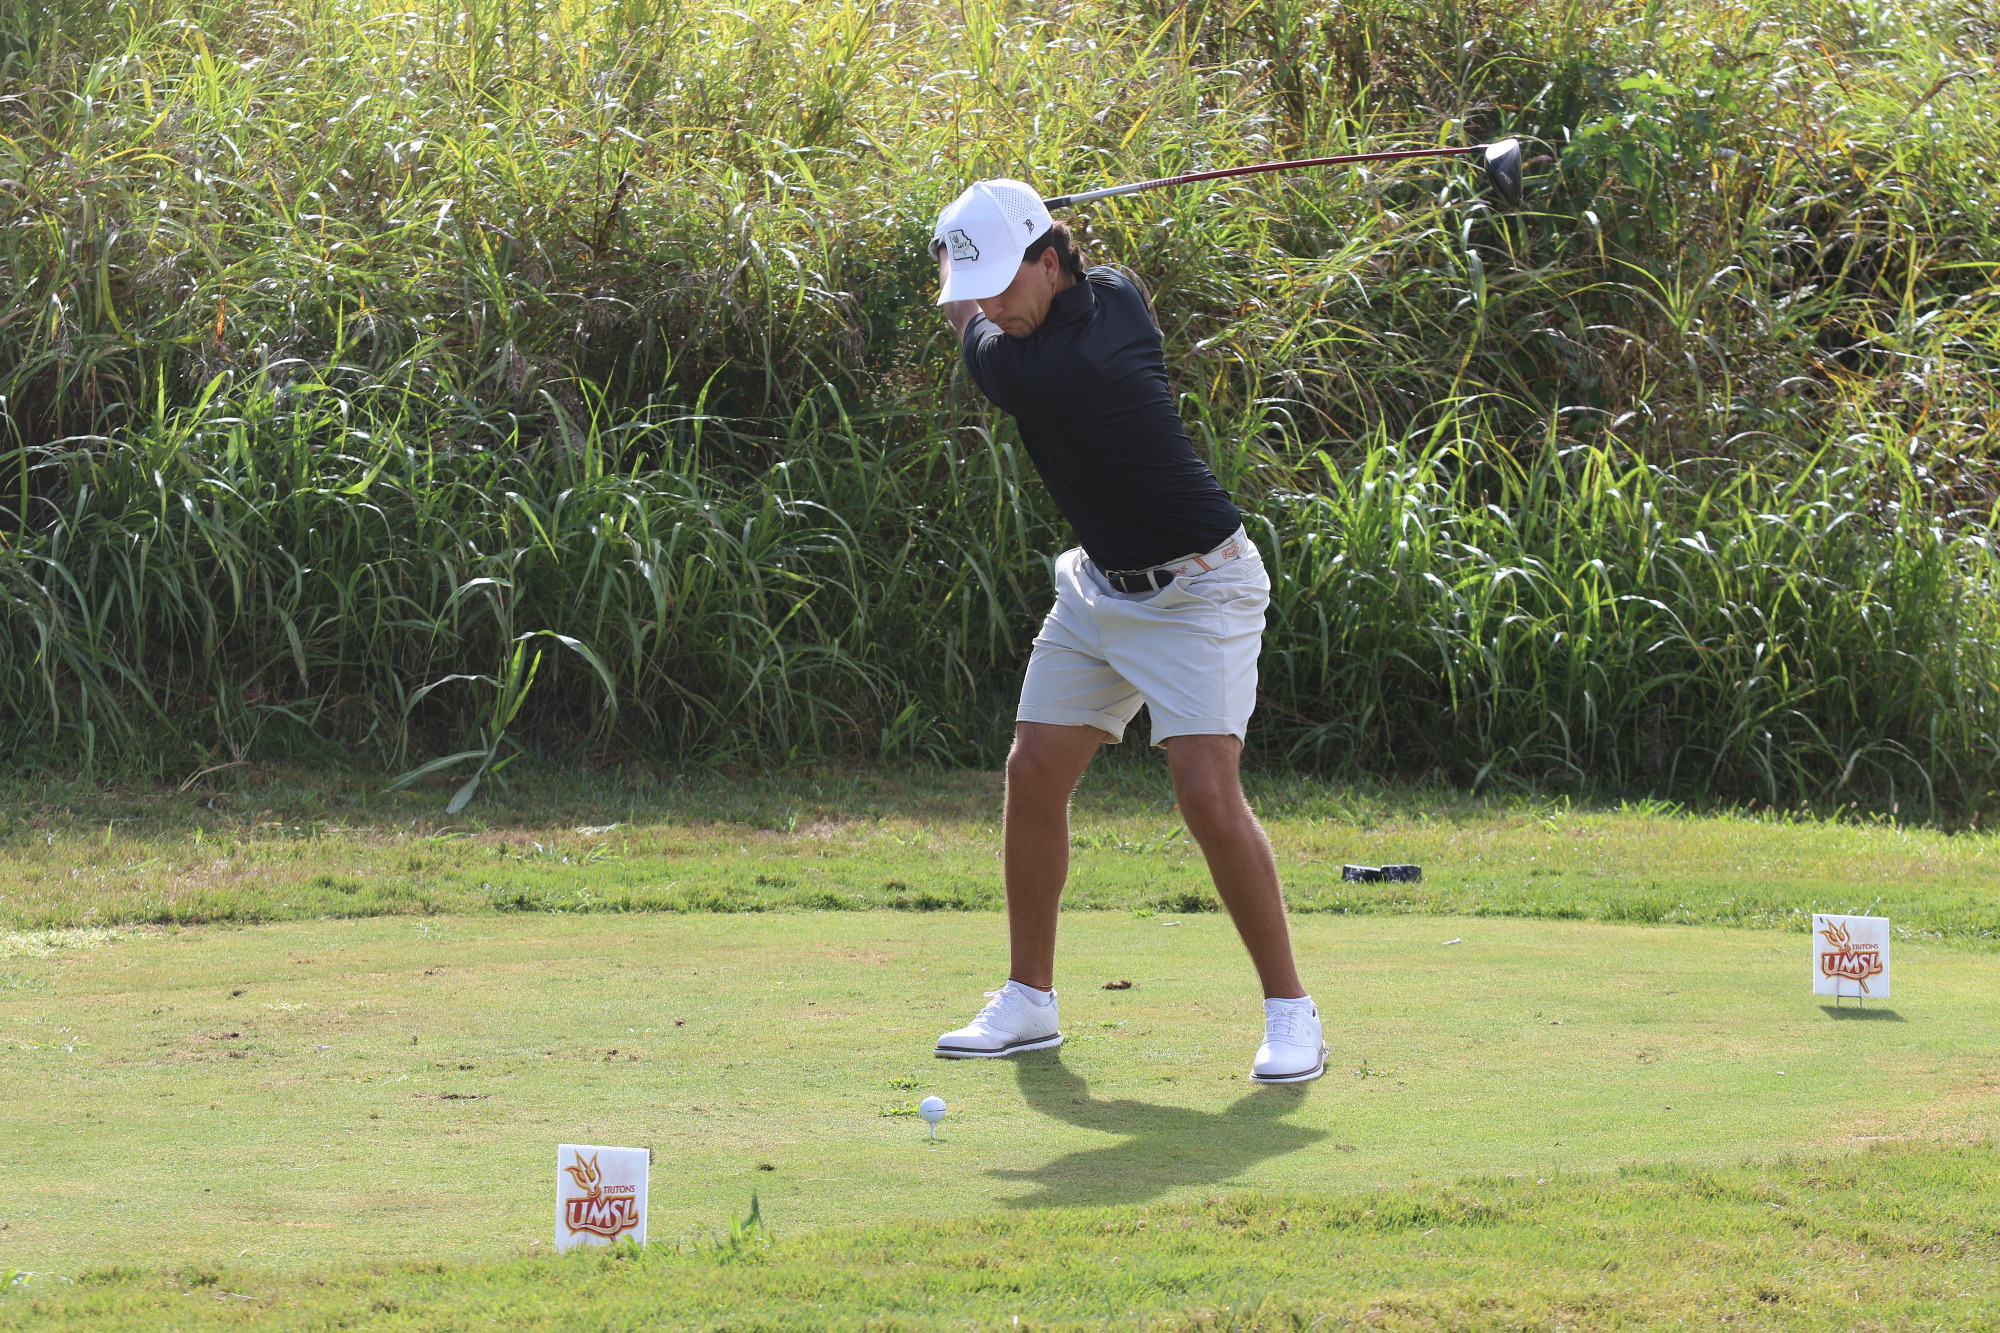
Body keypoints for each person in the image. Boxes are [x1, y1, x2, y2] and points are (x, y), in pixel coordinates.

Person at [927, 178, 1324, 1083]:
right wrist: (971, 247)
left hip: (1201, 592)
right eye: (978, 284)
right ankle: (1029, 999)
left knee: (1205, 793)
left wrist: (951, 266)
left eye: (1001, 283)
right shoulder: (1115, 290)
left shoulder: (1047, 367)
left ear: (1050, 259)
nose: (990, 305)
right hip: (1099, 586)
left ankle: (1292, 1012)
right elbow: (993, 301)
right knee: (1032, 771)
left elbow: (970, 333)